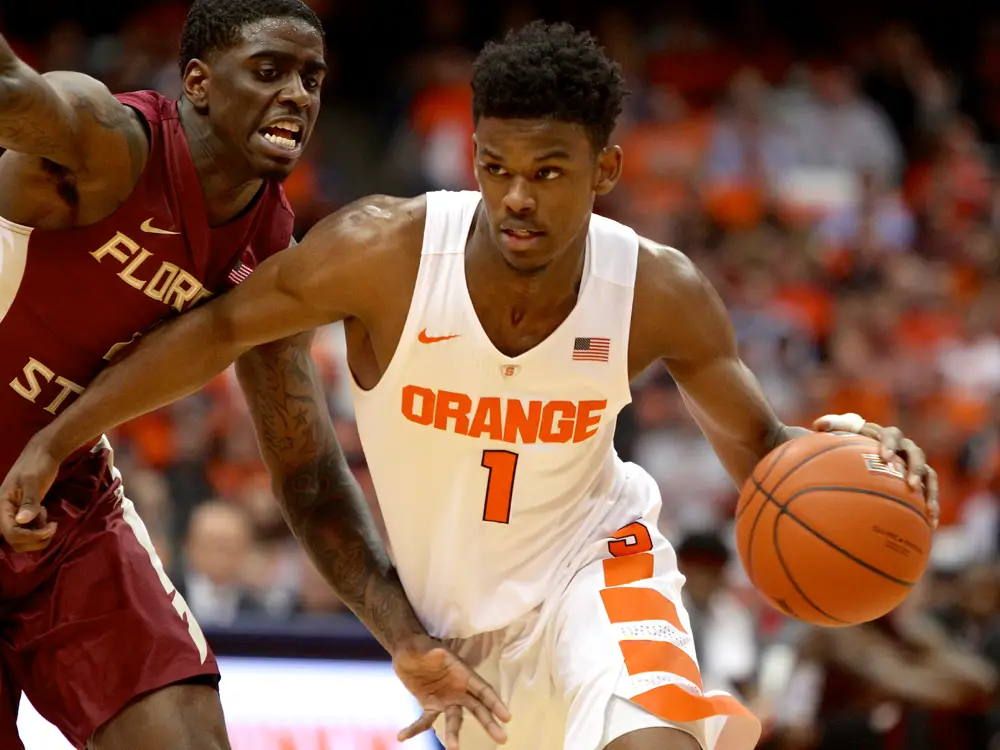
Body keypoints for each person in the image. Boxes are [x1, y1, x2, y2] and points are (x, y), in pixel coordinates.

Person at [2, 20, 939, 750]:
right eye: (496, 167)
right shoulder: (383, 252)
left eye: (549, 172)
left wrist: (853, 455)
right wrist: (56, 438)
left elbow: (768, 459)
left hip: (597, 573)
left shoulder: (658, 290)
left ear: (605, 169)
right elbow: (216, 332)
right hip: (458, 632)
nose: (517, 197)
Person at [0, 1, 504, 748]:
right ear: (198, 83)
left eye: (311, 78)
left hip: (58, 497)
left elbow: (307, 472)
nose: (296, 94)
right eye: (269, 71)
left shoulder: (270, 256)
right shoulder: (104, 142)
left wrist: (402, 638)